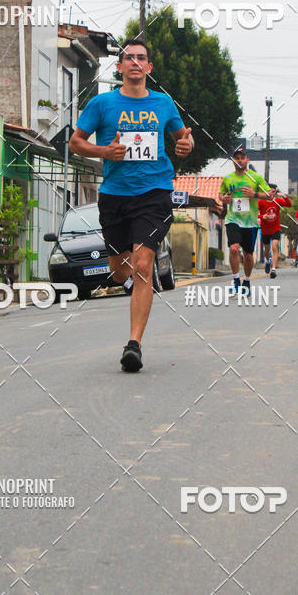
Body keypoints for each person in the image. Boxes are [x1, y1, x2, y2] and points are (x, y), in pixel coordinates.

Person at [69, 39, 194, 372]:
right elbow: (76, 143)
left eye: (142, 58)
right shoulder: (102, 104)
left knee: (142, 263)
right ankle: (130, 280)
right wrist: (104, 152)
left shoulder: (164, 103)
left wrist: (185, 143)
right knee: (119, 269)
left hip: (154, 193)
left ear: (149, 68)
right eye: (129, 58)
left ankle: (134, 345)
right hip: (115, 195)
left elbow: (184, 136)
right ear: (120, 66)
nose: (136, 62)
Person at [218, 146, 273, 294]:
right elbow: (221, 195)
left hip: (250, 222)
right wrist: (225, 199)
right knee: (234, 248)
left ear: (247, 160)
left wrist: (254, 194)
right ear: (233, 160)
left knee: (248, 255)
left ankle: (247, 281)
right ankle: (236, 279)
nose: (240, 160)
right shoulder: (228, 178)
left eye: (242, 158)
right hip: (233, 219)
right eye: (237, 158)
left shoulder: (255, 177)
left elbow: (270, 195)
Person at [259, 183, 291, 279]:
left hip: (275, 228)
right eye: (270, 191)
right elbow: (253, 213)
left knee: (275, 246)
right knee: (267, 250)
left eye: (274, 192)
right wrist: (261, 216)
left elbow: (289, 205)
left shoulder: (277, 201)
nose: (272, 193)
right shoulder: (261, 202)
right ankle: (268, 262)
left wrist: (285, 197)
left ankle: (273, 269)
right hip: (265, 230)